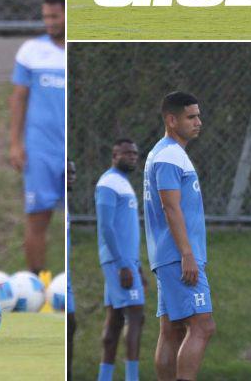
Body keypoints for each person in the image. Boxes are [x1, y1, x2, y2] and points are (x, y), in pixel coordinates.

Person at [144, 92, 215, 381]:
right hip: (178, 255)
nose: (198, 121)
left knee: (171, 330)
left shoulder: (162, 153)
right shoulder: (170, 155)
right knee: (202, 325)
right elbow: (170, 206)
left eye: (198, 115)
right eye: (191, 117)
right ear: (171, 120)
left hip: (167, 254)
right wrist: (187, 254)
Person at [10, 0, 65, 276]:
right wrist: (15, 144)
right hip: (41, 150)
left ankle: (69, 290)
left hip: (71, 151)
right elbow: (18, 98)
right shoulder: (31, 51)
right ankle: (38, 284)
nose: (50, 22)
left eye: (55, 16)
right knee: (37, 218)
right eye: (45, 16)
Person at [96, 139, 145, 381]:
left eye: (136, 154)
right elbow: (106, 226)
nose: (133, 157)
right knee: (136, 315)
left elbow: (126, 229)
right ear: (115, 155)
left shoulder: (122, 183)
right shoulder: (109, 182)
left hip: (127, 262)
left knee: (115, 321)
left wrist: (137, 265)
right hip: (119, 262)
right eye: (127, 153)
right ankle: (131, 377)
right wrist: (123, 263)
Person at [67, 159, 77, 376]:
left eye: (73, 172)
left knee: (71, 326)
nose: (71, 176)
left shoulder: (68, 203)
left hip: (68, 284)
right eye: (66, 172)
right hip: (62, 283)